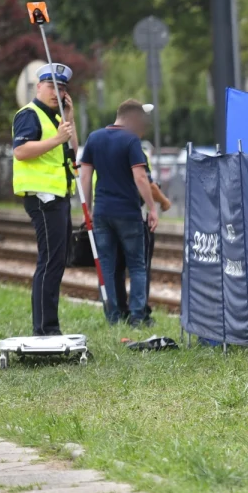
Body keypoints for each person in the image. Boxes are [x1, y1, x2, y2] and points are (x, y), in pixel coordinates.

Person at [78, 99, 160, 326]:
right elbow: (140, 177)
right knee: (137, 266)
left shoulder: (94, 138)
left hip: (102, 212)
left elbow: (85, 177)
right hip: (128, 213)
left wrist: (87, 210)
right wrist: (152, 208)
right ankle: (137, 316)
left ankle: (112, 317)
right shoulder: (131, 140)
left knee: (105, 266)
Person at [12, 62, 78, 336]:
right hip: (43, 197)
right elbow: (21, 151)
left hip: (58, 196)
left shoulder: (57, 118)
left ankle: (49, 326)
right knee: (50, 261)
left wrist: (69, 119)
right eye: (52, 86)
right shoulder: (29, 114)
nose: (57, 93)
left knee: (57, 261)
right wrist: (56, 139)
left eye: (62, 88)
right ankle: (44, 329)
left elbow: (73, 153)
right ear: (38, 86)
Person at [106, 135, 172, 316]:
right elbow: (147, 184)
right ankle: (139, 313)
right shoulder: (135, 150)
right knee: (139, 267)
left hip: (106, 215)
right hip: (132, 215)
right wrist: (163, 203)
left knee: (115, 268)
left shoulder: (103, 148)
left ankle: (118, 312)